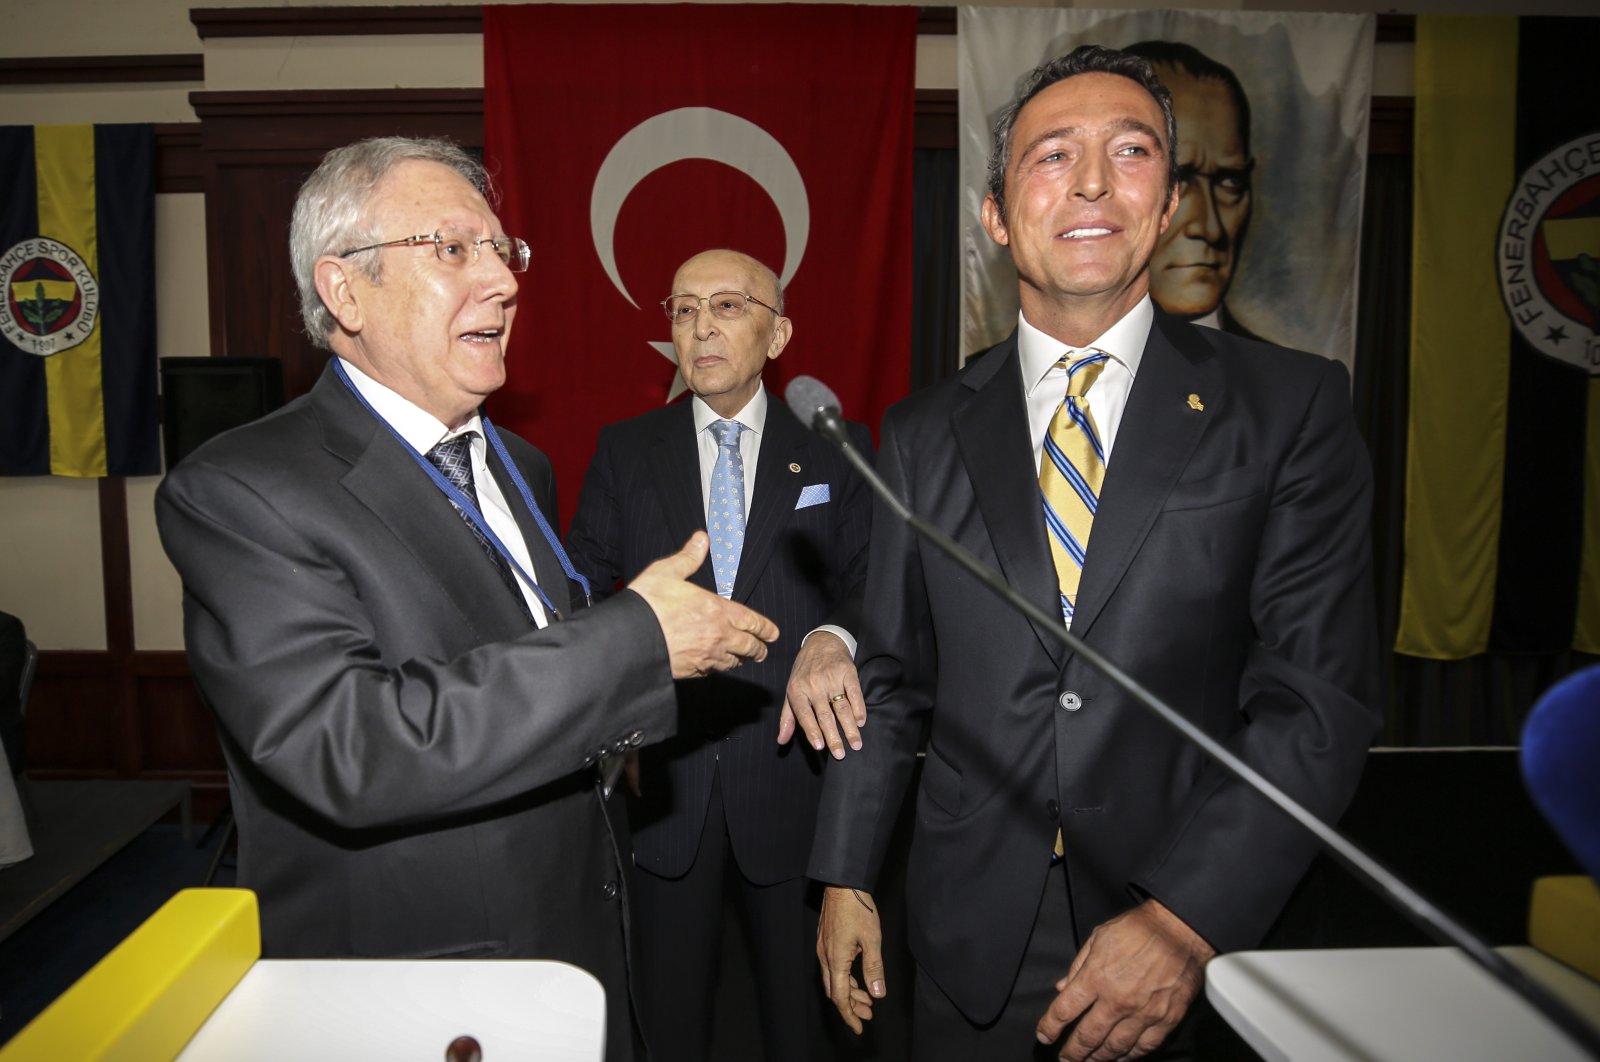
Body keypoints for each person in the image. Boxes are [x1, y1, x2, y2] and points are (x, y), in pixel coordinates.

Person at [808, 46, 1380, 1060]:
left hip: (1185, 932)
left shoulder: (1288, 408)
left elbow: (1316, 702)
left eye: (1130, 151)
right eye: (1052, 154)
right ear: (993, 214)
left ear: (1164, 208)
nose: (1089, 181)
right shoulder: (922, 432)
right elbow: (890, 680)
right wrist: (846, 872)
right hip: (969, 937)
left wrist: (1184, 917)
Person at [154, 137, 778, 1062]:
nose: (502, 280)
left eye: (503, 250)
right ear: (345, 290)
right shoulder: (242, 490)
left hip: (579, 951)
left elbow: (527, 655)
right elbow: (349, 747)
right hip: (420, 996)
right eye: (452, 249)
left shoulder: (516, 461)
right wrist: (635, 640)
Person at [565, 249, 873, 1062]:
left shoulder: (836, 449)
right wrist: (620, 724)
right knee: (667, 1028)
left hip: (796, 787)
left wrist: (827, 638)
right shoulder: (627, 450)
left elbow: (874, 589)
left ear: (779, 334)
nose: (701, 327)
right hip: (666, 787)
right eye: (683, 309)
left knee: (798, 1027)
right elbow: (582, 599)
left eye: (729, 307)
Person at [1123, 40, 1271, 343]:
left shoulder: (1294, 385)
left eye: (1230, 182)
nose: (1209, 227)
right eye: (1177, 180)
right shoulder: (1006, 377)